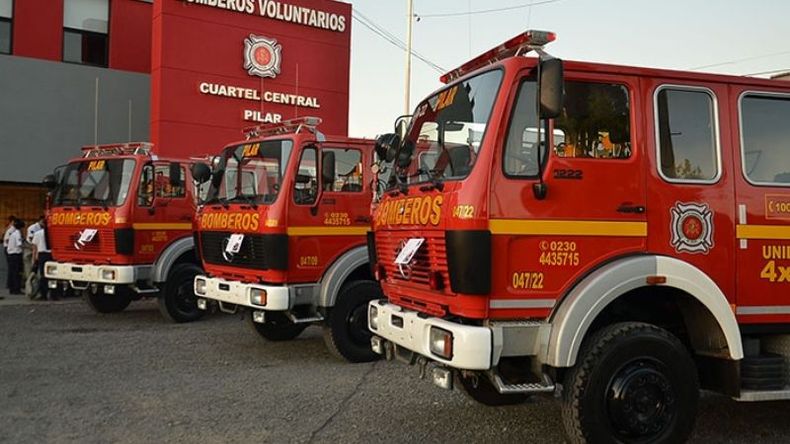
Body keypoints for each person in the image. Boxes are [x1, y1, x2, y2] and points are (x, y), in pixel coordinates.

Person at [31, 218, 54, 300]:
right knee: (53, 276)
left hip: (42, 255)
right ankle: (53, 294)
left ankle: (43, 294)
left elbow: (34, 248)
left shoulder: (37, 234)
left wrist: (34, 259)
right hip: (51, 255)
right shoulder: (53, 233)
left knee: (43, 275)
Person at [6, 219, 24, 295]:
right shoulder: (17, 234)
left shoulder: (13, 233)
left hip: (11, 254)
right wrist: (29, 247)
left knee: (12, 272)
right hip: (15, 255)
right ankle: (17, 289)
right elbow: (19, 244)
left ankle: (12, 289)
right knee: (17, 273)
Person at [3, 215, 17, 293]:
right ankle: (10, 284)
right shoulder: (11, 229)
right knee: (12, 268)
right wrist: (11, 246)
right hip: (10, 249)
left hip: (9, 248)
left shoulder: (10, 228)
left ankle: (10, 283)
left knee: (11, 268)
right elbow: (7, 239)